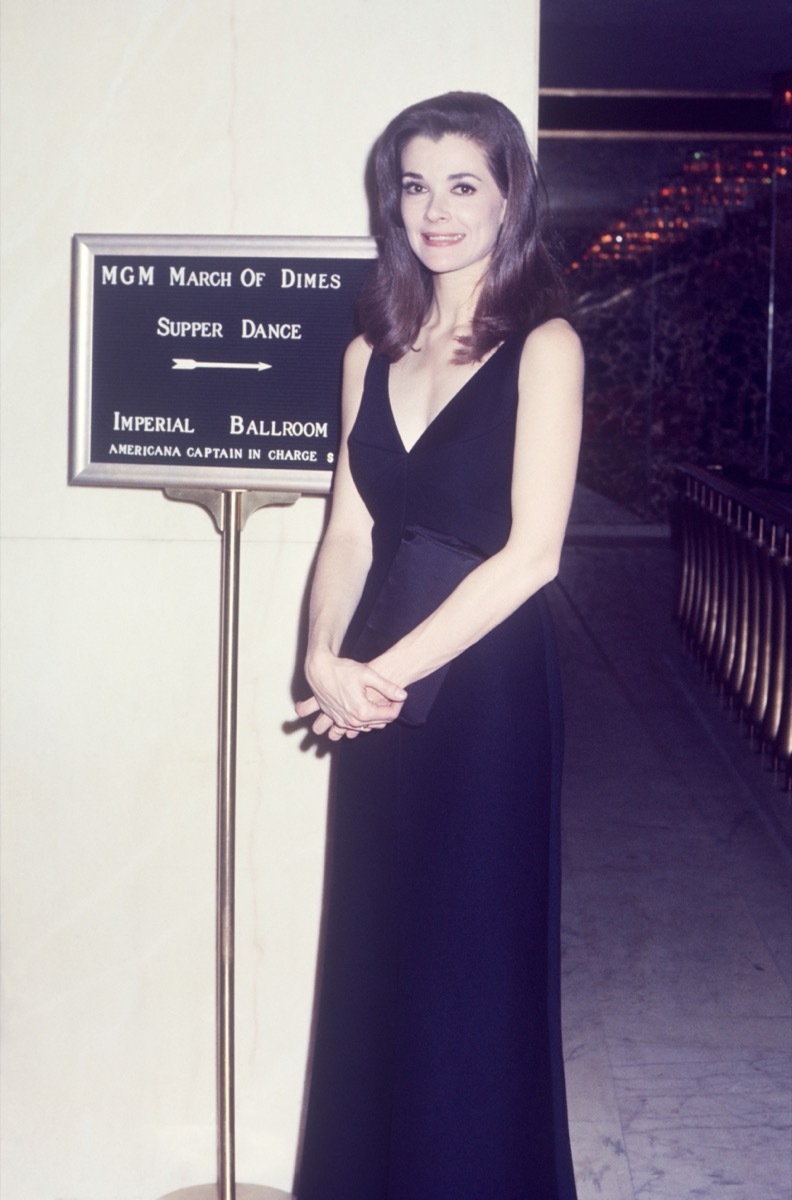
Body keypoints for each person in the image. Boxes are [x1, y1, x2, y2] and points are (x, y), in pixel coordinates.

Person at [295, 91, 583, 1200]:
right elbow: (349, 526)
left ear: (510, 197)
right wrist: (325, 657)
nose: (436, 209)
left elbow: (533, 556)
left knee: (471, 962)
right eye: (415, 185)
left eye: (463, 184)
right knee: (376, 956)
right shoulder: (372, 347)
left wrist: (377, 676)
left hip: (484, 690)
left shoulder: (543, 346)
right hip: (369, 692)